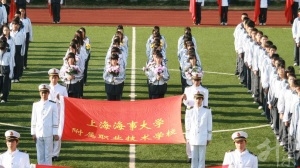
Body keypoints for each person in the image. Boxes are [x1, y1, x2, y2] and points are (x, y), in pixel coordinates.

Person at [31, 84, 59, 165]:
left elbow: (55, 119)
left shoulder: (53, 104)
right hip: (39, 133)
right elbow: (34, 119)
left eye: (46, 93)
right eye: (42, 93)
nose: (44, 95)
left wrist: (55, 133)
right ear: (40, 93)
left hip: (48, 132)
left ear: (48, 93)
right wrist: (33, 133)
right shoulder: (36, 105)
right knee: (40, 154)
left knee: (48, 154)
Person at [185, 91, 212, 168]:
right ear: (194, 99)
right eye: (197, 98)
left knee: (202, 158)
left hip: (203, 136)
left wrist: (209, 137)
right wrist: (188, 137)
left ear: (202, 100)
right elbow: (188, 125)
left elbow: (209, 124)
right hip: (193, 136)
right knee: (194, 157)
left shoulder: (207, 111)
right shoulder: (190, 110)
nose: (198, 100)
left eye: (200, 99)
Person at [47, 68, 68, 162]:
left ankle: (55, 154)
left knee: (57, 135)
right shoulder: (46, 88)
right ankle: (49, 153)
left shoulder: (62, 88)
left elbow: (66, 102)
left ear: (58, 78)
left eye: (55, 77)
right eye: (52, 77)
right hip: (48, 114)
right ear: (49, 78)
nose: (54, 79)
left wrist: (60, 99)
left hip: (58, 114)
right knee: (49, 135)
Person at [0, 38, 14, 103]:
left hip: (6, 69)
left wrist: (11, 72)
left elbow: (11, 63)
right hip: (0, 67)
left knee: (5, 85)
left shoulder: (9, 52)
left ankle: (4, 98)